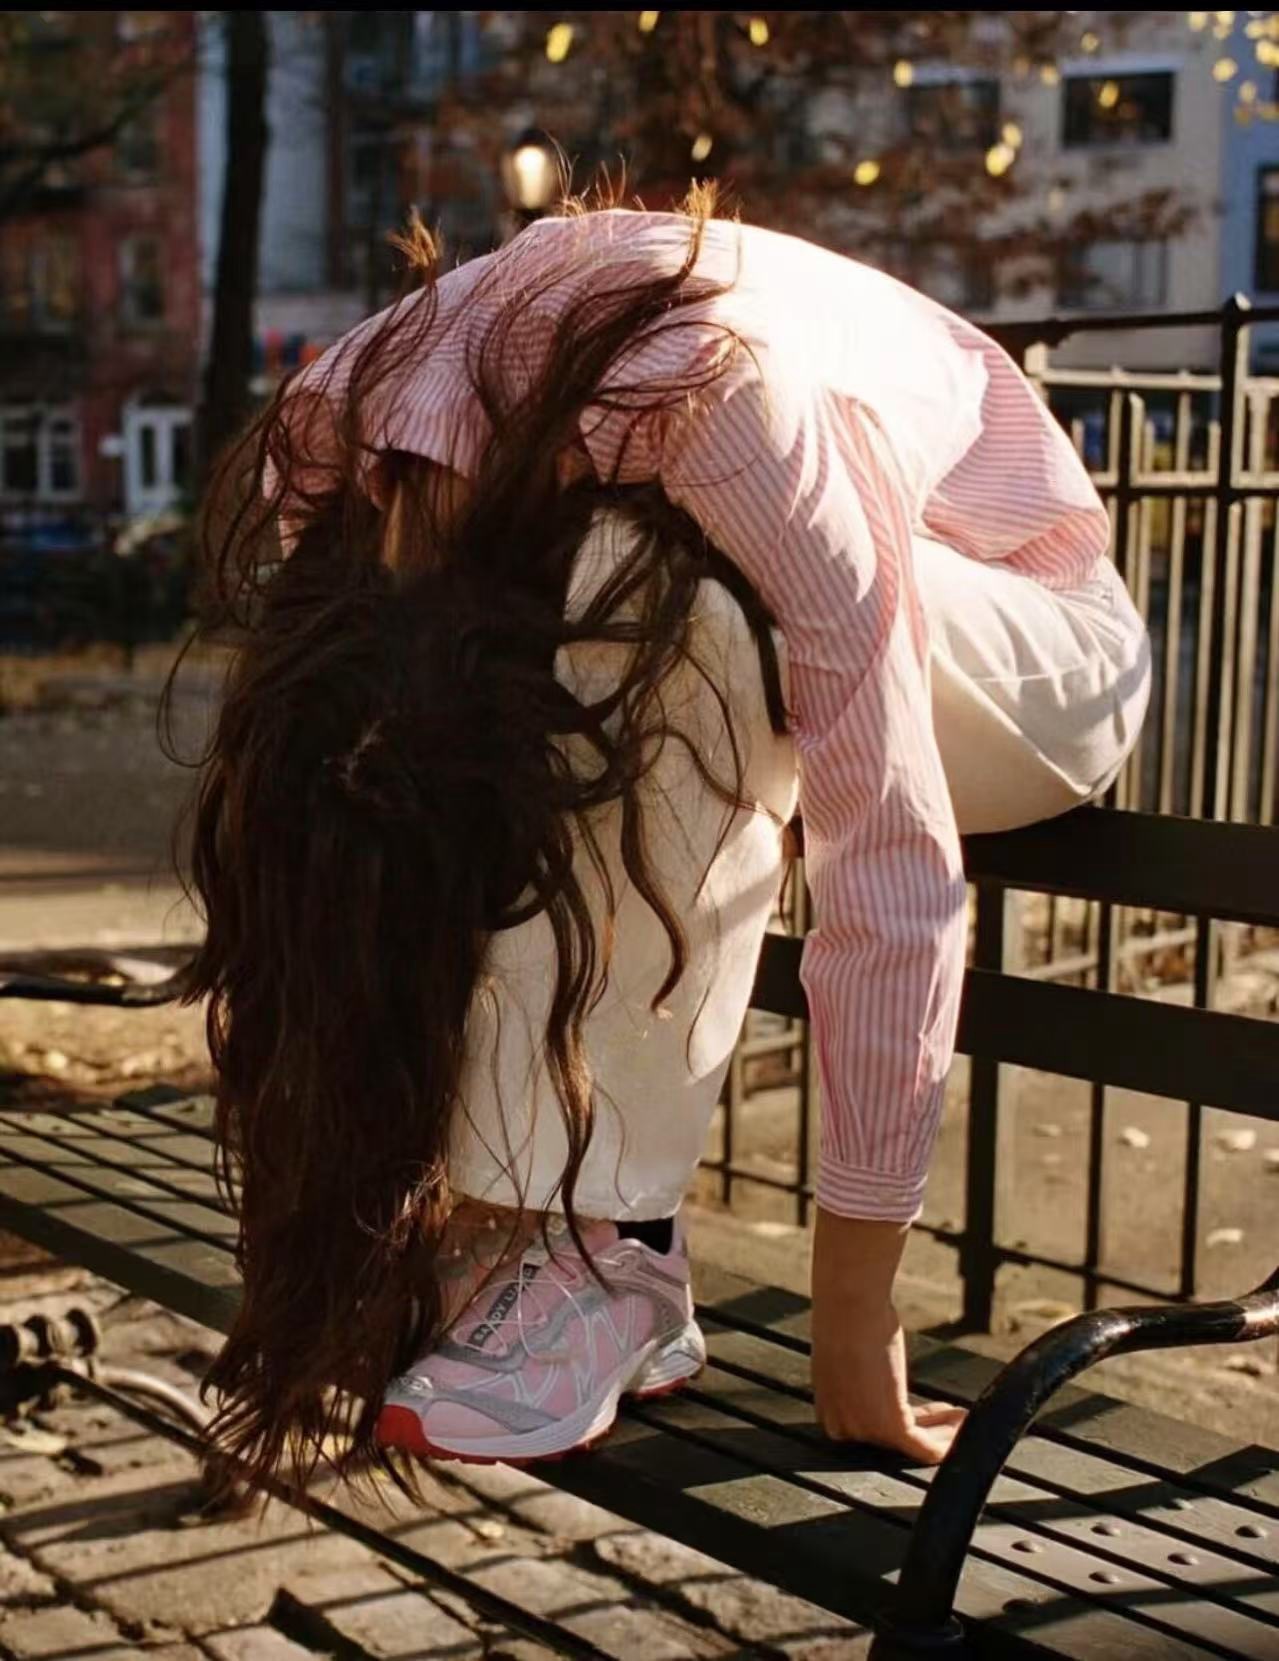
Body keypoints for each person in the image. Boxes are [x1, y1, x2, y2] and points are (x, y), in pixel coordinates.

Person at [172, 189, 1150, 1493]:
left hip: (1043, 639)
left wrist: (856, 1319)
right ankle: (561, 1229)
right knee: (545, 649)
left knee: (650, 594)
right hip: (751, 581)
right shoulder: (336, 426)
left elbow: (894, 855)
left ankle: (603, 1246)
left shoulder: (717, 400)